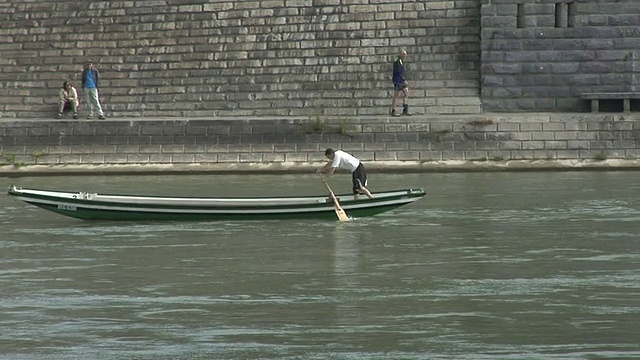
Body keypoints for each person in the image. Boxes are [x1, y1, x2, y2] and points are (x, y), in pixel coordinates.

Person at [391, 49, 410, 116]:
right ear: (400, 54)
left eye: (405, 54)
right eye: (404, 54)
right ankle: (393, 110)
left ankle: (405, 109)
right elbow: (398, 72)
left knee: (406, 93)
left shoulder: (401, 61)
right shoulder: (397, 61)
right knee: (396, 95)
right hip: (398, 80)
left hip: (401, 80)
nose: (405, 55)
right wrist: (403, 80)